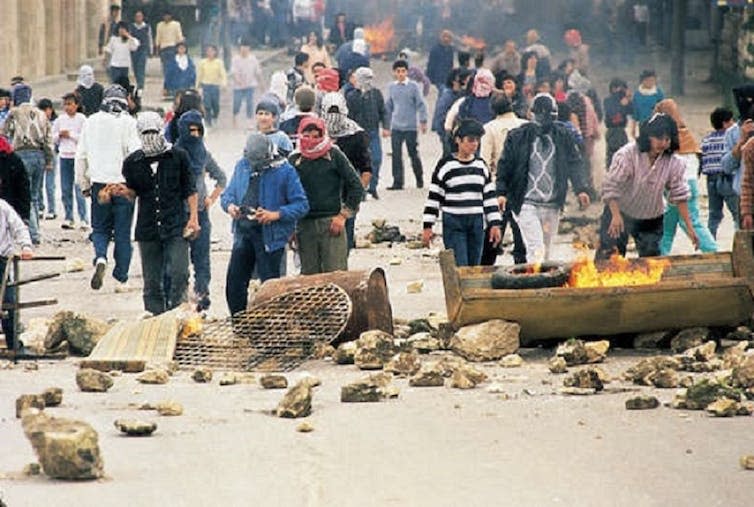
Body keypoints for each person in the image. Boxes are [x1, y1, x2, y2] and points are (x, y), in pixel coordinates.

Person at [496, 94, 591, 263]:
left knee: (546, 253)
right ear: (531, 115)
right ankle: (534, 285)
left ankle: (541, 284)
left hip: (552, 204)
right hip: (525, 203)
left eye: (547, 118)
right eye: (539, 116)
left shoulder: (563, 136)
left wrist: (581, 189)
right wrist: (501, 192)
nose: (542, 122)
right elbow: (505, 165)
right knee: (536, 249)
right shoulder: (517, 136)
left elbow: (574, 163)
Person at [221, 134, 309, 315]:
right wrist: (231, 207)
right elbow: (227, 195)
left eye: (258, 162)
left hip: (270, 238)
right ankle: (239, 325)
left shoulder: (285, 171)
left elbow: (302, 205)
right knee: (234, 285)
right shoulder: (242, 165)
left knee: (269, 288)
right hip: (243, 234)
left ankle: (270, 327)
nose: (254, 165)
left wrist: (275, 214)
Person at [122, 111, 199, 315]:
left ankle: (178, 314)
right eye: (145, 133)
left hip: (175, 226)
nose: (150, 137)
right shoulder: (132, 162)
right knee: (151, 282)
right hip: (147, 229)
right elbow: (134, 192)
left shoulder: (178, 157)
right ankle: (155, 319)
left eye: (153, 132)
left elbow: (190, 189)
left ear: (161, 130)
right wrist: (123, 192)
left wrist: (193, 218)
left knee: (180, 273)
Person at [596, 113, 698, 260]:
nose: (662, 143)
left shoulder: (674, 162)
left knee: (650, 263)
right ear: (647, 136)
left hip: (651, 217)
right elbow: (611, 186)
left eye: (667, 139)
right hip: (620, 212)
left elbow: (680, 195)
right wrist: (616, 215)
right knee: (609, 258)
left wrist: (690, 227)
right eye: (658, 138)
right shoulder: (627, 155)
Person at [75, 84, 141, 291]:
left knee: (100, 228)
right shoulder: (129, 123)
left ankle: (101, 257)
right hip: (122, 185)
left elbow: (81, 156)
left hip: (100, 185)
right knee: (123, 232)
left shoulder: (90, 121)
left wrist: (84, 184)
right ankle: (121, 276)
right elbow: (136, 154)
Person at [422, 119, 502, 267]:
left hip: (477, 224)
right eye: (470, 140)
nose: (475, 144)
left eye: (477, 140)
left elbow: (489, 198)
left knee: (474, 267)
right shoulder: (446, 166)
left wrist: (495, 224)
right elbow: (434, 198)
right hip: (454, 223)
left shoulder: (481, 166)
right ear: (458, 140)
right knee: (460, 267)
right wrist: (428, 226)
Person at [289, 117, 364, 274]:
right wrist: (290, 228)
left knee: (336, 276)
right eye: (307, 135)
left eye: (316, 136)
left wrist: (343, 216)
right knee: (310, 281)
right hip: (304, 226)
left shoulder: (334, 154)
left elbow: (356, 186)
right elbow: (285, 193)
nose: (311, 140)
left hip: (331, 225)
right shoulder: (295, 159)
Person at [174, 110, 226, 311]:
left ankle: (202, 296)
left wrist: (211, 198)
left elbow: (221, 178)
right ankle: (180, 300)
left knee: (202, 258)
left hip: (201, 216)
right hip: (180, 215)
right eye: (190, 130)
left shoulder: (203, 154)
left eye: (198, 130)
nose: (194, 135)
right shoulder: (174, 154)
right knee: (178, 262)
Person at [654, 100, 717, 254]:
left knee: (688, 223)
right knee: (667, 225)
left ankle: (712, 251)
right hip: (691, 183)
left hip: (677, 185)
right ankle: (661, 257)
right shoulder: (686, 134)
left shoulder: (667, 138)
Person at [481, 93, 528, 264]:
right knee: (521, 234)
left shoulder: (489, 128)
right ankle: (524, 273)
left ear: (492, 109)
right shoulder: (526, 126)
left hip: (497, 187)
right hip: (523, 187)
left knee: (494, 233)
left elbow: (485, 161)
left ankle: (484, 272)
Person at [321, 92, 371, 250]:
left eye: (337, 112)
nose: (333, 118)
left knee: (343, 246)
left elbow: (366, 169)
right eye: (330, 113)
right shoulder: (315, 132)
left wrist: (356, 196)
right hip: (319, 199)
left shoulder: (356, 135)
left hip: (346, 196)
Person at [4, 82, 53, 245]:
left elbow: (4, 134)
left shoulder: (14, 113)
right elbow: (48, 139)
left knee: (23, 195)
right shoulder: (41, 114)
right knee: (35, 195)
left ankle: (30, 234)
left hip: (21, 155)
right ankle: (35, 231)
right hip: (39, 155)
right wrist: (49, 159)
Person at [384, 60, 428, 190]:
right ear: (394, 73)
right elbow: (389, 106)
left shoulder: (413, 86)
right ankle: (398, 182)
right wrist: (386, 125)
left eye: (403, 71)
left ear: (407, 72)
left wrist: (423, 121)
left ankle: (419, 178)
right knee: (396, 155)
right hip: (396, 126)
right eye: (398, 71)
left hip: (410, 127)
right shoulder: (391, 87)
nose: (401, 74)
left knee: (413, 153)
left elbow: (421, 104)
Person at [346, 67, 387, 199]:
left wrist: (386, 126)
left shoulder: (376, 94)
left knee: (376, 159)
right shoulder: (351, 96)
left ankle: (373, 187)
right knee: (359, 162)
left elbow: (383, 111)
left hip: (373, 131)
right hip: (357, 134)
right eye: (365, 78)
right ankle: (361, 189)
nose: (368, 81)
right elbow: (349, 115)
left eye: (370, 78)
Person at [0, 197, 34, 354]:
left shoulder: (3, 207)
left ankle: (13, 344)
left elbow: (19, 228)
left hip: (2, 261)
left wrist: (26, 246)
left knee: (9, 303)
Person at [52, 94, 88, 230]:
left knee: (79, 188)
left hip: (77, 157)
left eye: (70, 104)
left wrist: (71, 135)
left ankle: (83, 218)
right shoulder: (60, 120)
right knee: (66, 189)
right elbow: (52, 137)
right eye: (65, 104)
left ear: (76, 105)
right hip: (64, 156)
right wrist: (60, 135)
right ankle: (68, 217)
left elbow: (85, 138)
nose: (67, 107)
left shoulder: (82, 119)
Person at [701, 107, 737, 238]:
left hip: (710, 180)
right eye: (731, 121)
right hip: (727, 179)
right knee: (737, 214)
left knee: (714, 214)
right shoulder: (730, 138)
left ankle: (710, 242)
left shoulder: (706, 140)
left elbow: (702, 158)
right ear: (725, 123)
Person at [432, 68, 471, 159]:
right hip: (448, 134)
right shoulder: (448, 96)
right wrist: (445, 134)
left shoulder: (460, 94)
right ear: (455, 81)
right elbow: (440, 117)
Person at [231, 40, 265, 127]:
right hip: (238, 86)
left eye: (246, 47)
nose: (244, 49)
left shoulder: (253, 59)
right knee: (237, 103)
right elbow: (234, 72)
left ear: (249, 48)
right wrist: (239, 81)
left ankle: (249, 121)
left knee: (250, 103)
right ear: (240, 48)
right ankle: (235, 117)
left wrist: (261, 84)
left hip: (250, 85)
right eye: (242, 47)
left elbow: (258, 72)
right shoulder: (235, 59)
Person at [0, 134, 30, 225]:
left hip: (9, 215)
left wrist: (24, 217)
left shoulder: (12, 159)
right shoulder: (13, 158)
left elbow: (23, 190)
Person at [603, 78, 633, 169]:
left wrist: (628, 100)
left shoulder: (624, 101)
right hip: (612, 130)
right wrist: (621, 104)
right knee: (612, 156)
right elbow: (612, 112)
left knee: (625, 155)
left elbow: (631, 111)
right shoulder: (608, 100)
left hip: (621, 130)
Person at [155, 11, 185, 96]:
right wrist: (157, 48)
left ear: (171, 16)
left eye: (168, 15)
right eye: (165, 16)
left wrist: (181, 48)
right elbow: (158, 37)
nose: (166, 17)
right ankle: (167, 89)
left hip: (173, 48)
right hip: (164, 49)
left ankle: (174, 89)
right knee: (166, 70)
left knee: (173, 69)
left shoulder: (176, 24)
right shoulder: (160, 25)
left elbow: (179, 36)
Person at [196, 45, 227, 127]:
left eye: (211, 51)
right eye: (208, 51)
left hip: (215, 86)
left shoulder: (219, 62)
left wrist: (224, 84)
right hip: (206, 86)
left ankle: (215, 116)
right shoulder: (203, 62)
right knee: (207, 104)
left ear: (215, 52)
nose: (210, 53)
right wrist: (197, 86)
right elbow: (199, 75)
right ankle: (208, 121)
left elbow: (223, 74)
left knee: (215, 104)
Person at [37, 98, 58, 220]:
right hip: (40, 153)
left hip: (51, 153)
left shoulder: (55, 121)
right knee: (38, 183)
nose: (46, 112)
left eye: (48, 109)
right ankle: (40, 207)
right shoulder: (37, 122)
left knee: (50, 184)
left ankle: (52, 209)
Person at [632, 69, 664, 134]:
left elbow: (664, 110)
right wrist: (633, 128)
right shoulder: (637, 94)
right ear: (643, 81)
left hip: (657, 125)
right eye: (648, 80)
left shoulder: (658, 93)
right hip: (643, 125)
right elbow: (635, 113)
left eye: (653, 80)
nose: (651, 82)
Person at [426, 30, 455, 94]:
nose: (446, 39)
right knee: (444, 92)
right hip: (438, 77)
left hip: (448, 78)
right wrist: (429, 78)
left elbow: (451, 64)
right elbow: (431, 65)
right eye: (444, 36)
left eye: (448, 37)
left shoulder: (450, 50)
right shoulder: (435, 49)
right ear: (440, 38)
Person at [130, 10, 153, 91]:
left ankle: (141, 84)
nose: (138, 18)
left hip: (143, 49)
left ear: (142, 17)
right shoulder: (132, 27)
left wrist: (151, 50)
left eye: (140, 16)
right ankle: (138, 81)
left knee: (141, 66)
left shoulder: (146, 27)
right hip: (134, 50)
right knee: (135, 67)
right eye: (137, 16)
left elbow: (150, 38)